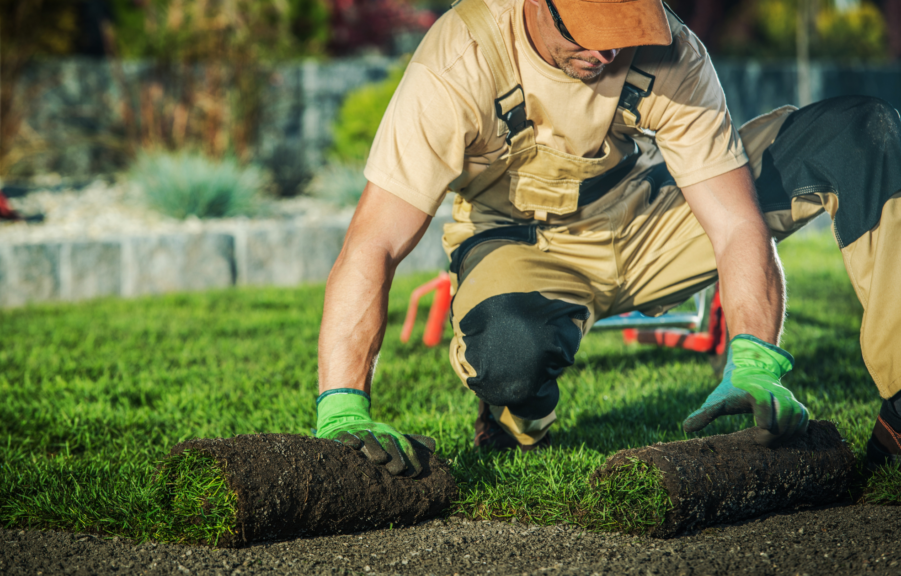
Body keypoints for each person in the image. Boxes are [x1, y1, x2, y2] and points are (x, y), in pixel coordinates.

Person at [313, 0, 901, 477]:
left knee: (860, 132)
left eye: (622, 29)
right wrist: (342, 404)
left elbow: (734, 222)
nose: (606, 51)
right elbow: (376, 242)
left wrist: (752, 359)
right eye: (589, 31)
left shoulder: (673, 51)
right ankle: (518, 415)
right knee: (511, 356)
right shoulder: (460, 57)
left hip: (647, 214)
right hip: (523, 242)